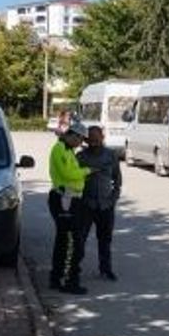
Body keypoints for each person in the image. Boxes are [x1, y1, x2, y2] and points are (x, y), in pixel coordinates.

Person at [48, 121, 91, 294]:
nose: (81, 144)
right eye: (80, 139)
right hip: (64, 200)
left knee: (65, 241)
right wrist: (87, 171)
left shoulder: (68, 150)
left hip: (71, 199)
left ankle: (57, 278)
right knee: (72, 243)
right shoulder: (59, 149)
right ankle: (68, 281)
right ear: (73, 135)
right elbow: (67, 174)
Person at [75, 125, 122, 281]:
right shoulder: (80, 157)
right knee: (80, 238)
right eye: (91, 140)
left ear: (102, 138)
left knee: (105, 239)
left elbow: (117, 178)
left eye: (97, 139)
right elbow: (73, 178)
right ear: (86, 140)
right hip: (86, 204)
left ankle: (106, 269)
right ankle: (74, 269)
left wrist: (114, 198)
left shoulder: (111, 155)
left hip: (106, 205)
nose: (94, 143)